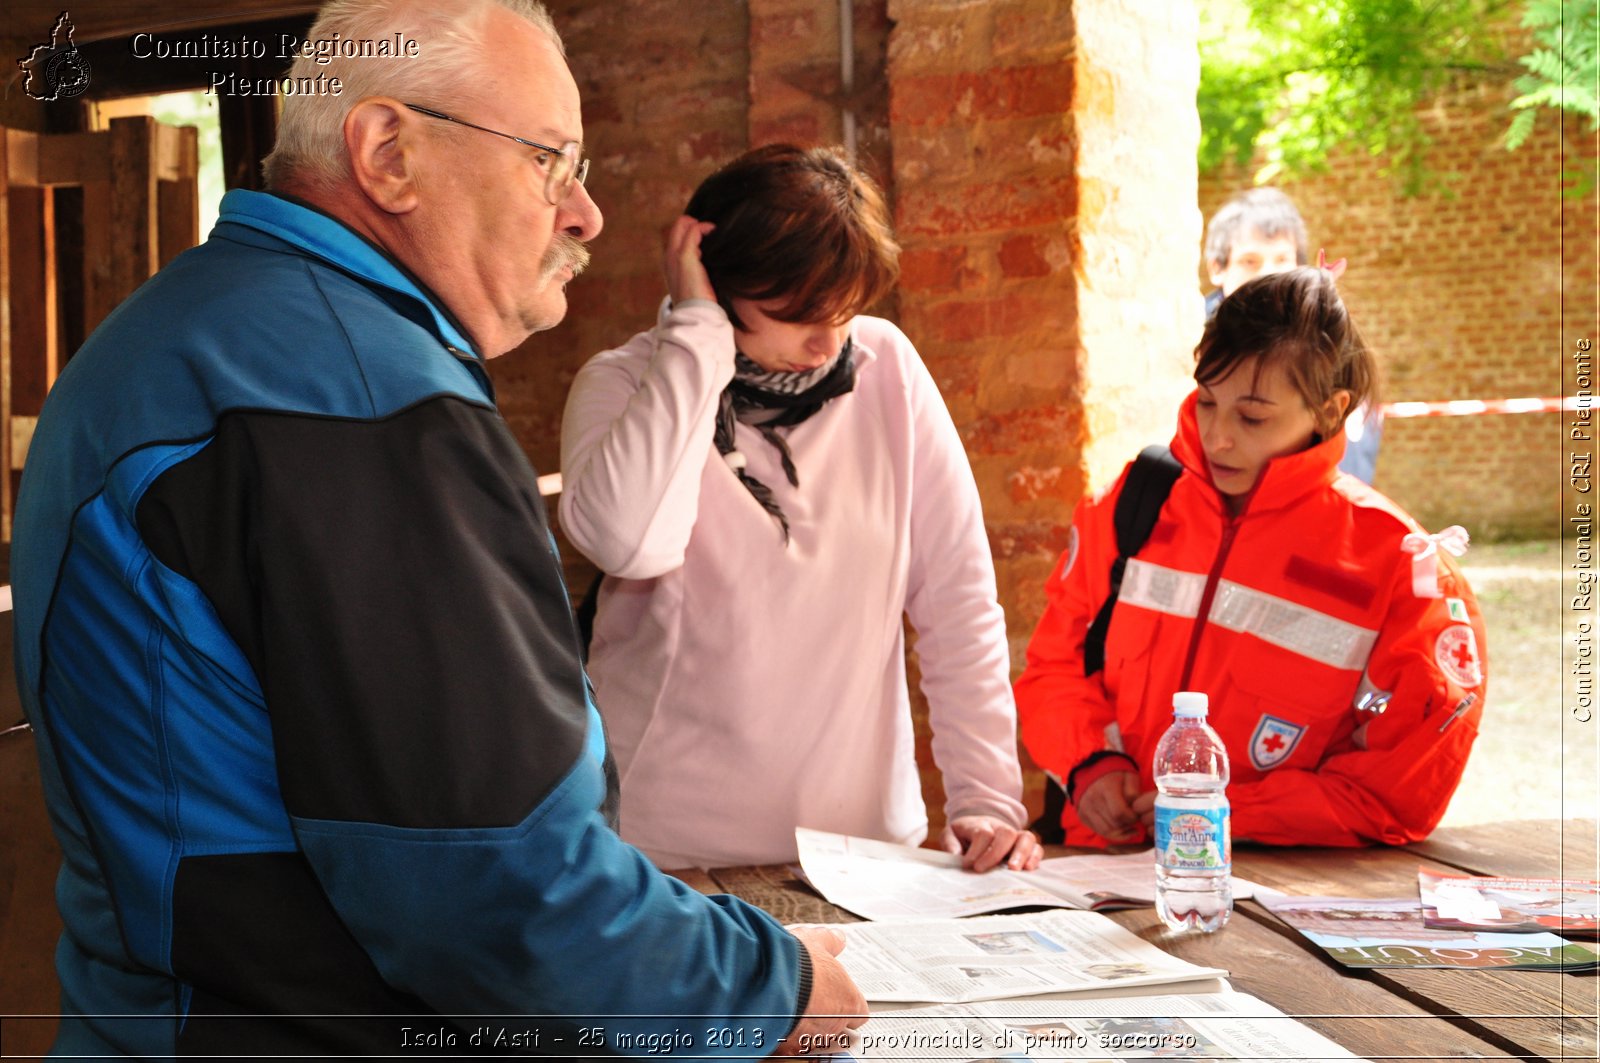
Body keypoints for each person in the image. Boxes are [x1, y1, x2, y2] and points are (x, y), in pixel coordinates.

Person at [10, 1, 864, 1056]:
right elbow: (491, 875)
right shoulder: (346, 395)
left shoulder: (194, 333)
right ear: (388, 154)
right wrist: (767, 988)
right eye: (550, 161)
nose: (586, 212)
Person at [559, 144, 1038, 872]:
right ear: (714, 281)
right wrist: (695, 339)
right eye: (796, 315)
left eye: (844, 313)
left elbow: (958, 602)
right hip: (666, 857)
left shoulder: (887, 373)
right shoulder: (627, 386)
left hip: (868, 857)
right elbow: (630, 544)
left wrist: (987, 798)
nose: (826, 344)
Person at [1015, 267, 1486, 849]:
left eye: (1253, 416)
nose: (1218, 437)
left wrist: (1214, 810)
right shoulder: (1133, 504)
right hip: (1100, 876)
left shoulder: (1402, 571)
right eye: (1207, 402)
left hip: (1272, 890)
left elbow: (1397, 790)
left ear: (1330, 410)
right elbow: (1053, 668)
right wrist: (1092, 767)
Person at [1203, 186, 1380, 483]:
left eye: (1282, 260)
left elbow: (1348, 472)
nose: (1268, 274)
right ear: (1217, 268)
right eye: (1250, 262)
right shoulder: (1188, 344)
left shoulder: (1329, 346)